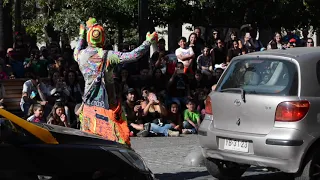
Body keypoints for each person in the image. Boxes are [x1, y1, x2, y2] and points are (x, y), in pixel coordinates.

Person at [73, 17, 158, 146]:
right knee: (115, 139)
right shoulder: (108, 55)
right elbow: (133, 56)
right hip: (107, 105)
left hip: (89, 105)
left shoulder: (80, 55)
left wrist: (81, 34)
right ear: (103, 38)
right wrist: (148, 42)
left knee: (91, 139)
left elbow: (77, 47)